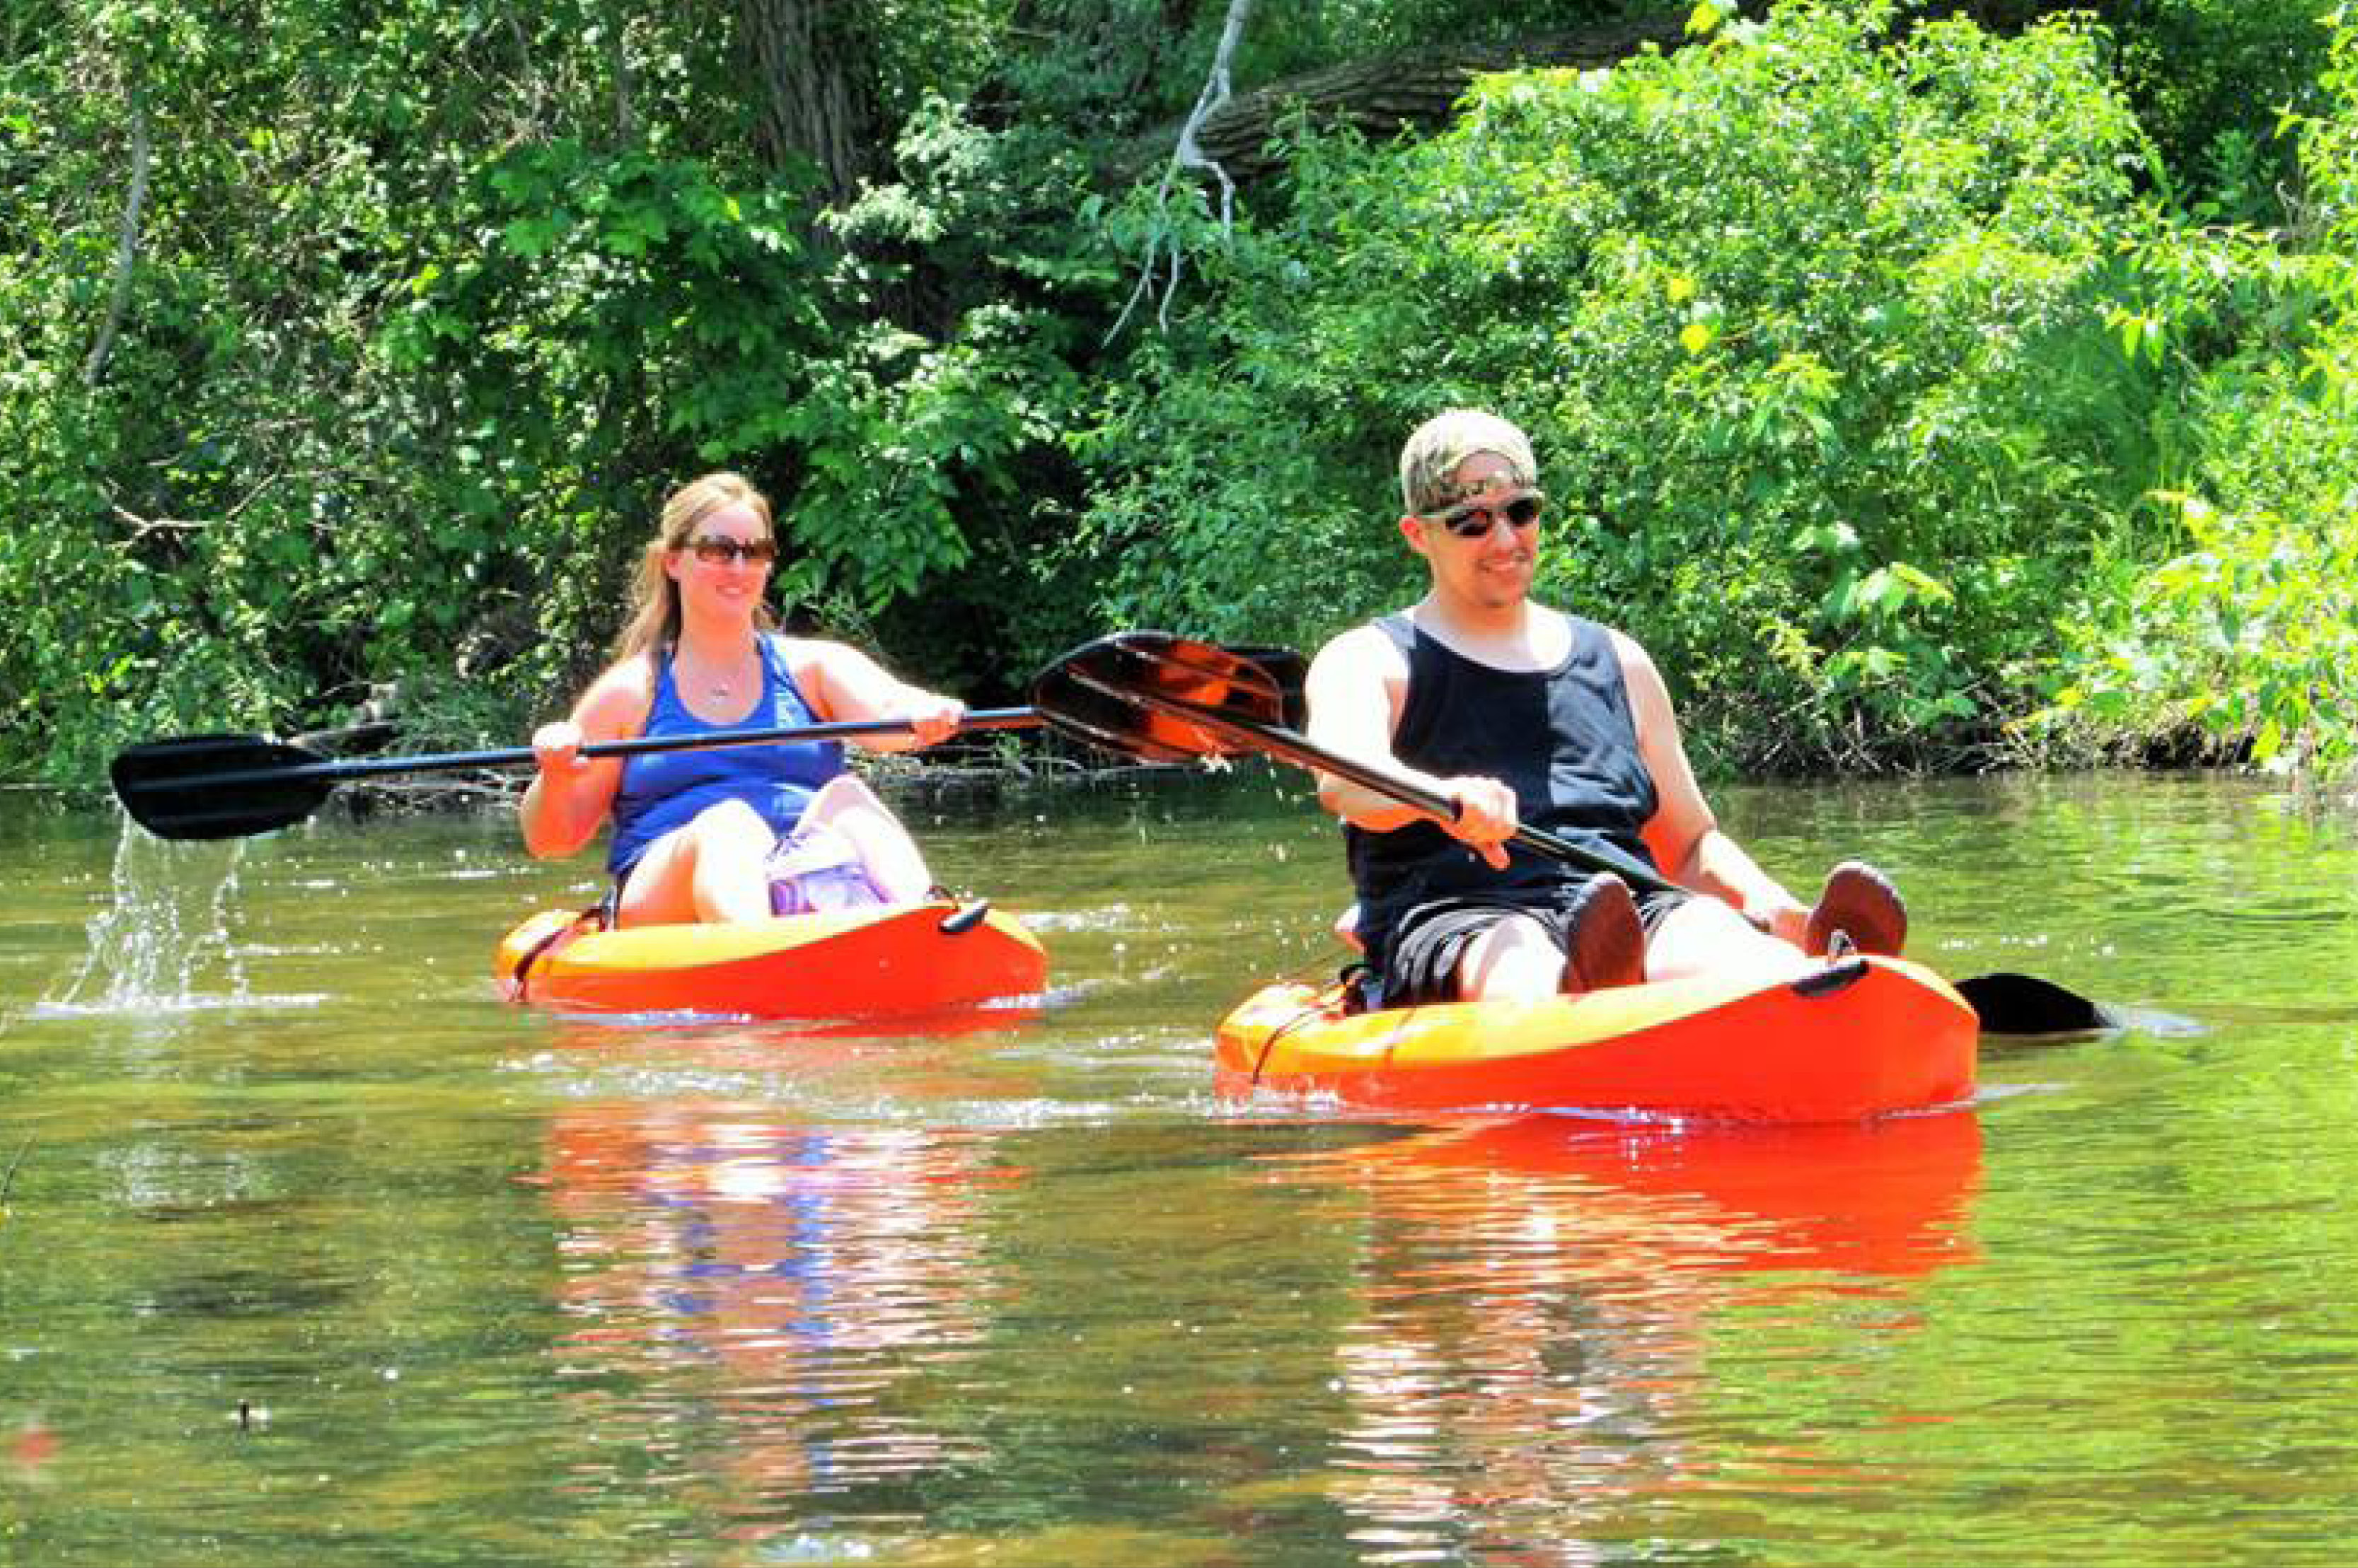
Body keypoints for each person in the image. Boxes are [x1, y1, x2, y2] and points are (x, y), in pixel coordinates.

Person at [1306, 410, 1906, 1007]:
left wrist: (1770, 904)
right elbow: (1344, 783)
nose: (1506, 540)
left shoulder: (1621, 662)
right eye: (1471, 523)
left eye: (1520, 512)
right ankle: (1575, 994)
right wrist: (1441, 797)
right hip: (1461, 916)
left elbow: (1690, 845)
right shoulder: (1367, 660)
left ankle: (1820, 978)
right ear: (1418, 534)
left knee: (1705, 931)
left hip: (1623, 908)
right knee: (1513, 947)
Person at [521, 471, 974, 929]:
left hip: (793, 867)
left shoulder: (813, 667)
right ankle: (761, 948)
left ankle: (925, 920)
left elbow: (887, 710)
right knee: (728, 824)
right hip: (665, 892)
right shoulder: (628, 692)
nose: (738, 567)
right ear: (674, 561)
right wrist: (555, 774)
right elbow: (551, 840)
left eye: (755, 552)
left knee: (848, 796)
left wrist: (923, 709)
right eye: (719, 550)